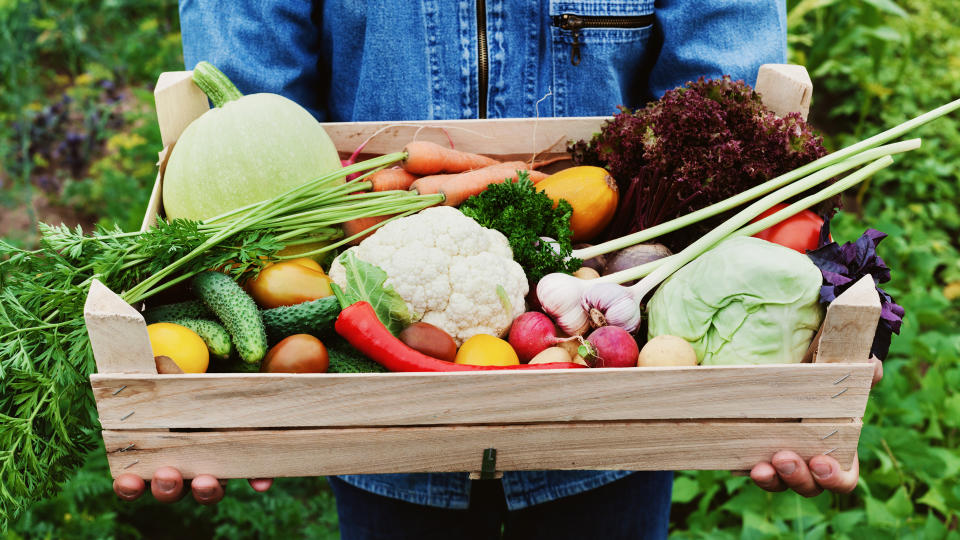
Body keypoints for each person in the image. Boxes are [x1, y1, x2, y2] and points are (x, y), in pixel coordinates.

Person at [115, 1, 883, 538]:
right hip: (376, 426)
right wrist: (244, 409)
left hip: (617, 420)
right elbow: (249, 103)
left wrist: (785, 383)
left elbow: (727, 100)